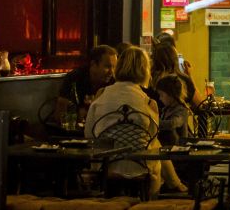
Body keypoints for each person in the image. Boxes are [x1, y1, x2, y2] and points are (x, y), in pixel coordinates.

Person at [84, 47, 168, 195]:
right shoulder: (149, 103)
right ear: (145, 70)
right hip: (140, 167)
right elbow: (152, 137)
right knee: (157, 155)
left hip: (105, 166)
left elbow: (89, 134)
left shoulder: (101, 95)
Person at [55, 45, 117, 126]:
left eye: (114, 67)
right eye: (107, 67)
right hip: (75, 130)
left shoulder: (113, 81)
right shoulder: (75, 78)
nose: (111, 72)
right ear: (93, 64)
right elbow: (60, 113)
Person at [151, 43, 205, 110]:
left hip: (154, 119)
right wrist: (189, 76)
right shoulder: (181, 80)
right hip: (177, 119)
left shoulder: (149, 80)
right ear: (175, 59)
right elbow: (200, 105)